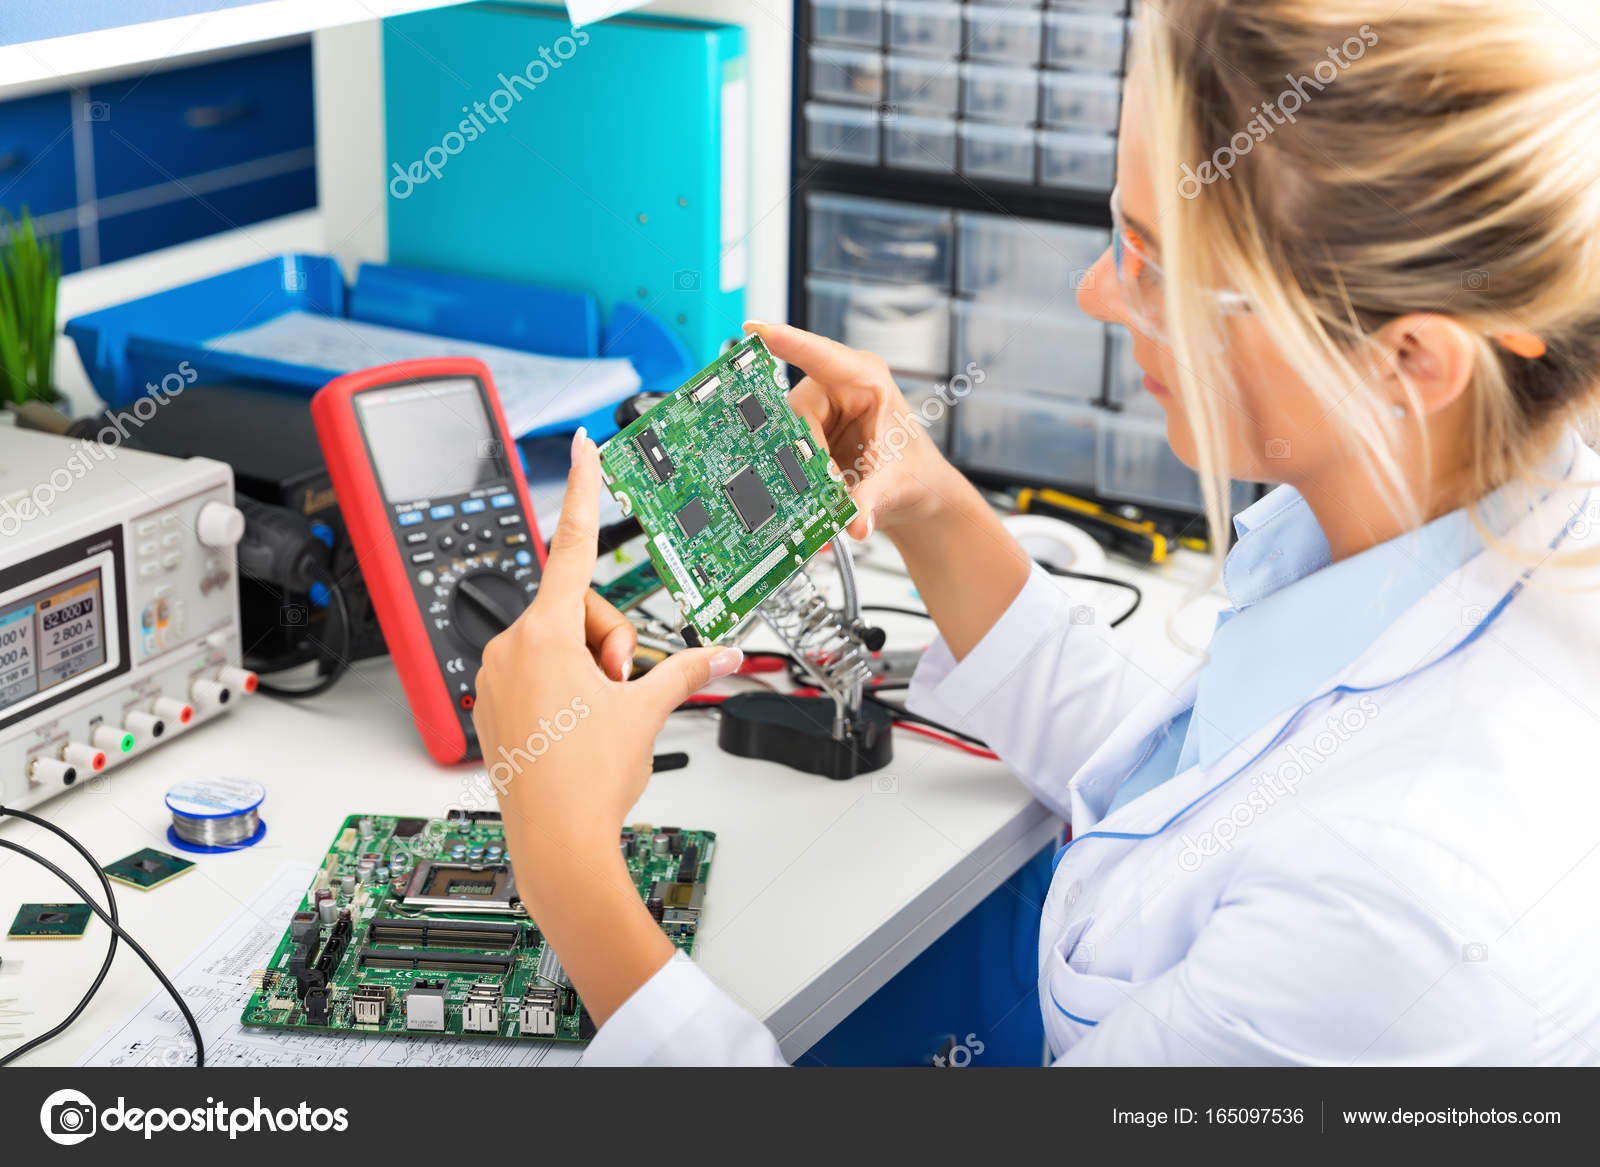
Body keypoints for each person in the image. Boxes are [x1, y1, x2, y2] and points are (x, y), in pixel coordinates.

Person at [471, 0, 1600, 1064]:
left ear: (1409, 361)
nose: (1096, 296)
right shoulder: (1442, 521)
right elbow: (1199, 790)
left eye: (1159, 266)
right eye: (1121, 230)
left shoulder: (1391, 911)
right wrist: (927, 501)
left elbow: (1277, 835)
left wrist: (566, 862)